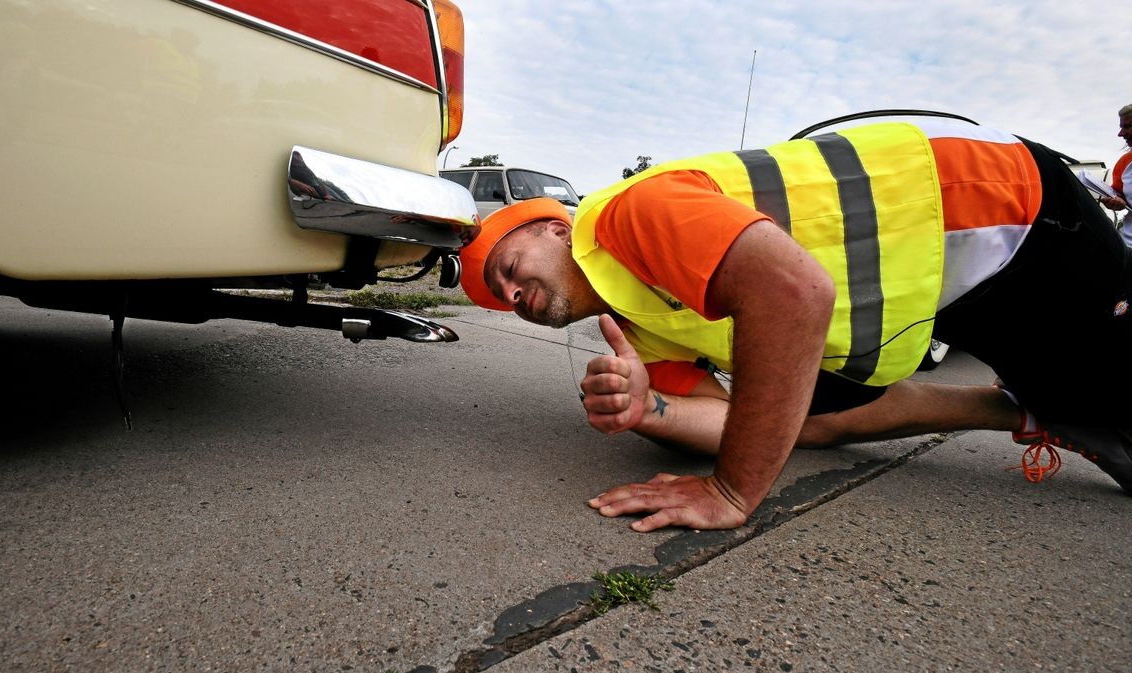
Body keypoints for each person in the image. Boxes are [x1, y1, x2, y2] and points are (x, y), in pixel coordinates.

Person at [459, 117, 1132, 532]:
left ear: (556, 228)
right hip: (937, 285)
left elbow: (794, 293)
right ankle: (1020, 412)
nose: (513, 291)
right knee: (777, 417)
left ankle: (1064, 406)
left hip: (1006, 211)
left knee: (1111, 398)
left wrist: (731, 488)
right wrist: (649, 408)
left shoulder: (631, 214)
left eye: (512, 266)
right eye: (501, 293)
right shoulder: (630, 328)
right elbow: (731, 420)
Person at [1099, 103, 1132, 246]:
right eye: (1121, 127)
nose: (1121, 134)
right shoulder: (1124, 162)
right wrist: (1114, 202)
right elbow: (1117, 196)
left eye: (1127, 126)